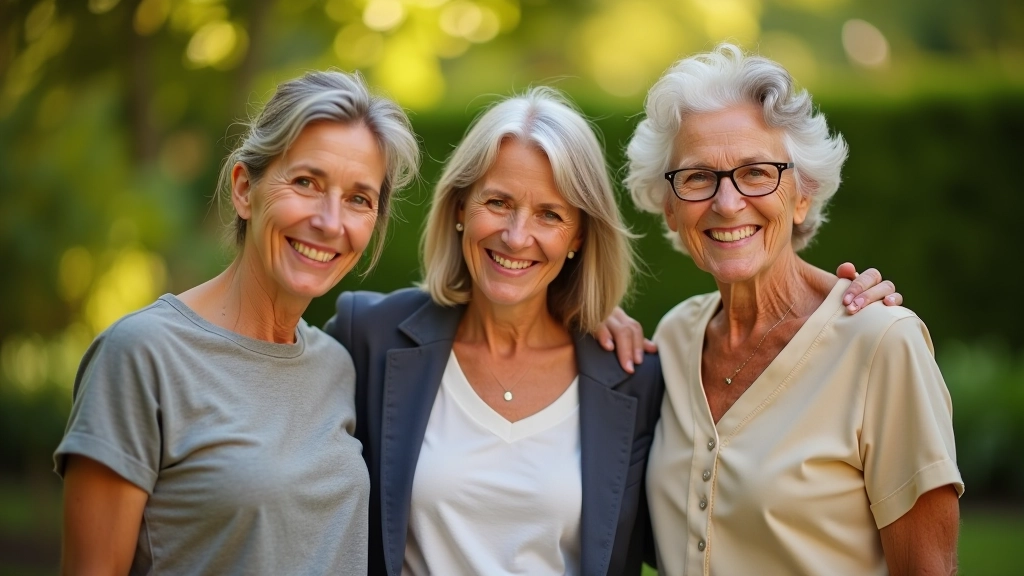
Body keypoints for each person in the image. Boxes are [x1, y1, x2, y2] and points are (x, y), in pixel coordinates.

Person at [325, 87, 897, 576]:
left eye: (550, 214)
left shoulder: (632, 376)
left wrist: (825, 295)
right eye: (497, 202)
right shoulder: (371, 336)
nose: (517, 236)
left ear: (578, 235)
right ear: (459, 209)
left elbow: (711, 524)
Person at [53, 70, 419, 575]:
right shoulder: (141, 355)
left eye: (359, 199)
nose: (331, 222)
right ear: (245, 189)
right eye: (307, 183)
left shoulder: (336, 365)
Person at [626, 44, 963, 575]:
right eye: (696, 178)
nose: (727, 202)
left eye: (756, 172)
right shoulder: (673, 337)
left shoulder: (880, 343)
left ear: (802, 194)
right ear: (669, 208)